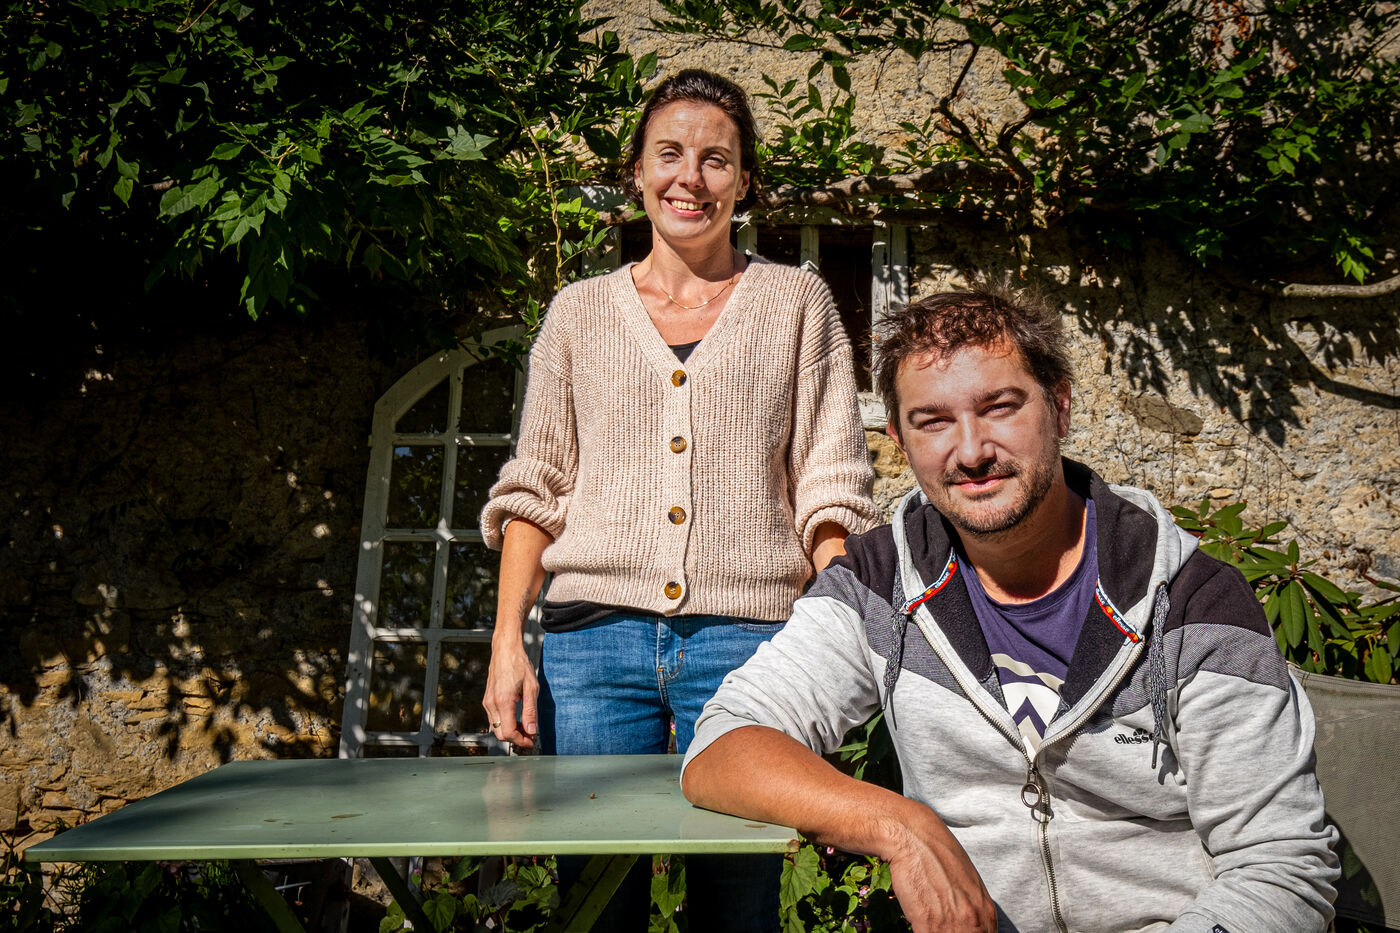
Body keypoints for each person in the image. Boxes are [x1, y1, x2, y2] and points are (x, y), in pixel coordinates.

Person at [681, 287, 1340, 932]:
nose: (971, 452)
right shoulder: (877, 584)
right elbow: (724, 743)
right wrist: (902, 826)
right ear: (900, 441)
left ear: (1060, 406)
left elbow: (1283, 869)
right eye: (933, 421)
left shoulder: (1194, 603)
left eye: (999, 408)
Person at [479, 68, 879, 929]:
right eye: (669, 154)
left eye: (715, 160)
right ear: (637, 172)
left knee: (739, 906)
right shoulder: (578, 313)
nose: (689, 178)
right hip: (592, 644)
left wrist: (839, 632)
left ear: (744, 181)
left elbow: (831, 486)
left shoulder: (797, 303)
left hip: (748, 641)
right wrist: (508, 640)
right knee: (598, 904)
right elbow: (536, 487)